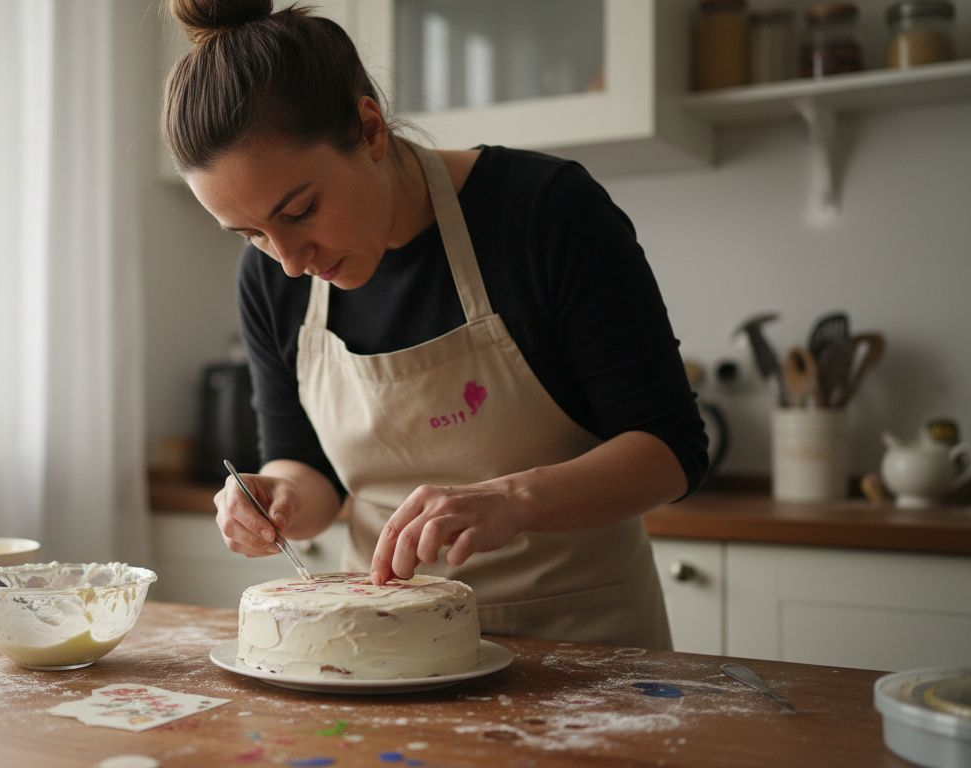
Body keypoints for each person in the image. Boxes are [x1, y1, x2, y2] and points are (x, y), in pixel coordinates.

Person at [162, 0, 708, 649]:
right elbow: (311, 472)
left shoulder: (544, 213)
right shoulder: (270, 284)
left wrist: (515, 499)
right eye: (251, 234)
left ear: (369, 130)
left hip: (583, 647)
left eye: (301, 211)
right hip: (381, 650)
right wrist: (275, 497)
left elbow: (671, 451)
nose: (289, 262)